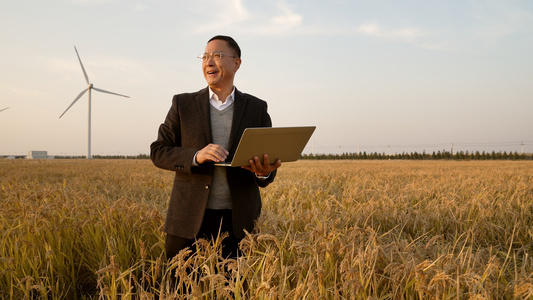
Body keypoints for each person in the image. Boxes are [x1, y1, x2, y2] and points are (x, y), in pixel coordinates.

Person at [150, 35, 281, 262]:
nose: (208, 62)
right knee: (180, 291)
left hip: (239, 224)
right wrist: (195, 156)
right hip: (187, 221)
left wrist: (264, 172)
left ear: (237, 63)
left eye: (217, 56)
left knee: (235, 290)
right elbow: (159, 151)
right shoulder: (183, 104)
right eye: (205, 56)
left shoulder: (257, 108)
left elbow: (267, 166)